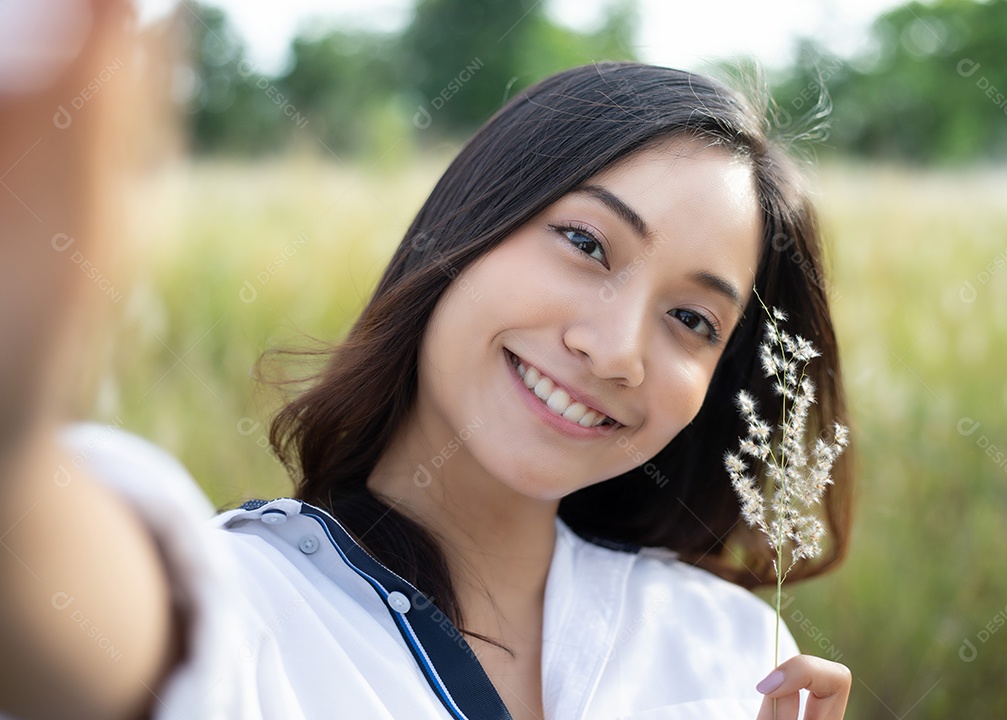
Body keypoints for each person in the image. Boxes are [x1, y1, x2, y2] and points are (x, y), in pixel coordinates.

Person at [0, 2, 852, 719]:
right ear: (464, 231)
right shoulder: (243, 601)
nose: (616, 349)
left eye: (692, 320)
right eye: (587, 242)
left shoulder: (734, 655)